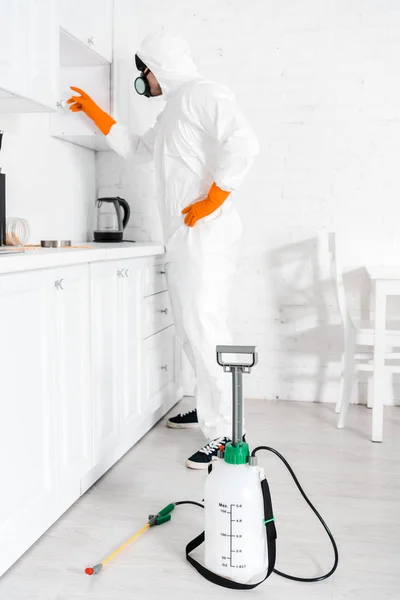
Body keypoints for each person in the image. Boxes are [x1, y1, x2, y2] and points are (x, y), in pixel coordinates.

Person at [68, 32, 259, 469]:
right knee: (191, 330)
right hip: (185, 237)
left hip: (206, 234)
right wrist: (97, 114)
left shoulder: (203, 94)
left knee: (206, 329)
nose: (144, 79)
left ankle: (229, 432)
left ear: (160, 66)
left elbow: (244, 142)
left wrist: (215, 196)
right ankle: (210, 409)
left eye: (145, 71)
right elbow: (137, 150)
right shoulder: (175, 109)